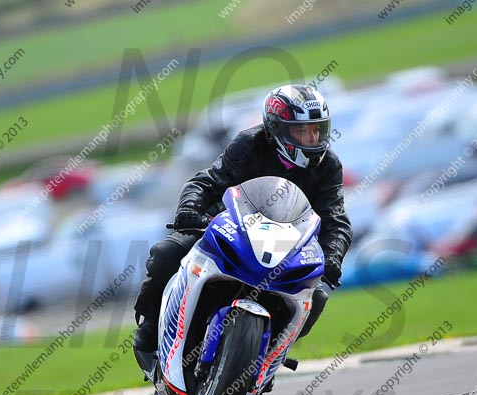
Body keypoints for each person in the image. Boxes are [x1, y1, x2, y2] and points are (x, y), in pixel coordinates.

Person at [132, 84, 353, 375]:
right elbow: (207, 181)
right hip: (228, 230)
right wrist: (190, 209)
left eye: (317, 130)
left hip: (285, 248)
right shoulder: (249, 144)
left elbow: (335, 219)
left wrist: (333, 256)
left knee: (317, 296)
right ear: (277, 129)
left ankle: (268, 356)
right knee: (166, 252)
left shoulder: (329, 165)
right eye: (302, 131)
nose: (312, 139)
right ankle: (148, 335)